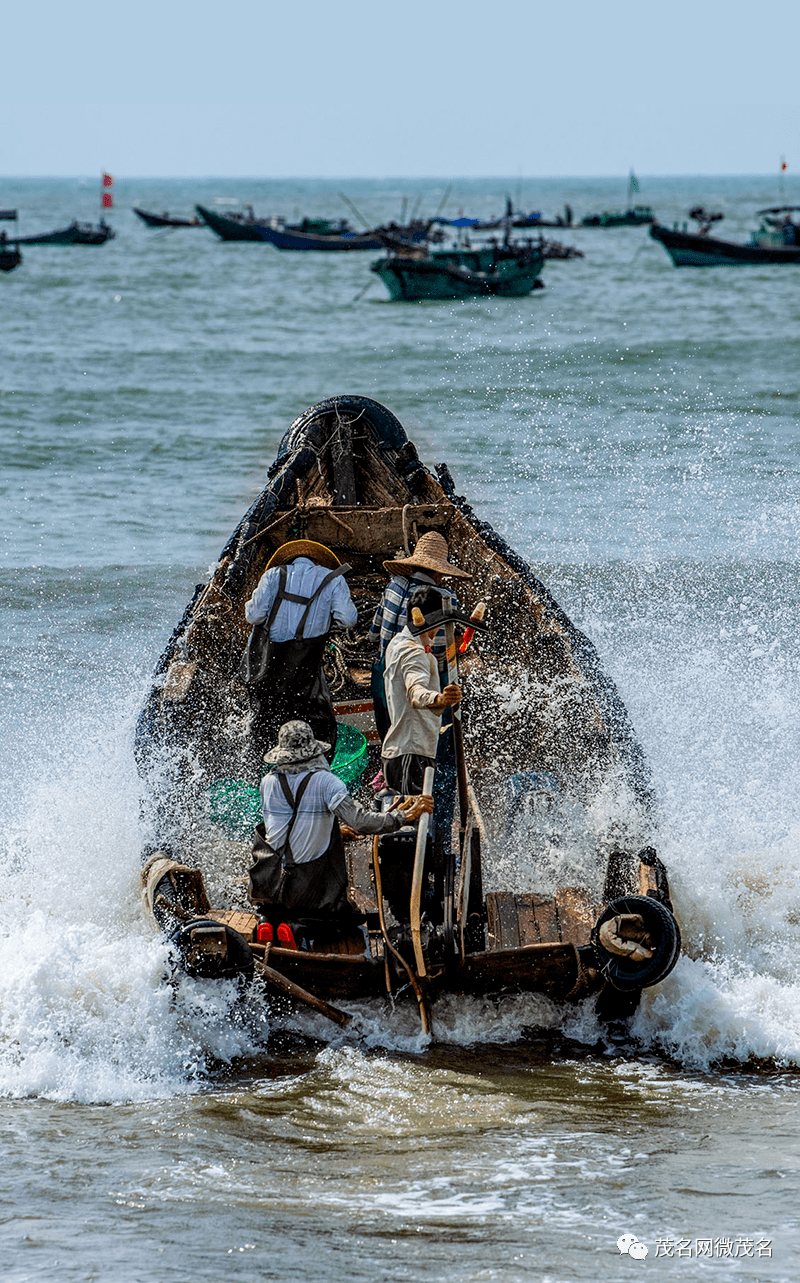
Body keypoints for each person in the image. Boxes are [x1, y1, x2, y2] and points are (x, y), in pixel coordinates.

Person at [248, 720, 433, 942]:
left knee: (276, 898)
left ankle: (267, 919)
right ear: (314, 753)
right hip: (307, 892)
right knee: (348, 918)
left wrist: (333, 830)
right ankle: (297, 927)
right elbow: (361, 822)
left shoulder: (267, 782)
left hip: (268, 884)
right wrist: (405, 816)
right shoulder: (327, 783)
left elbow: (287, 825)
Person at [243, 539, 357, 767]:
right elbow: (348, 619)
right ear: (317, 561)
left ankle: (264, 769)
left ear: (289, 560)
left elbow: (253, 617)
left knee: (265, 716)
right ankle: (316, 769)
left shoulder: (273, 575)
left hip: (271, 664)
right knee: (318, 717)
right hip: (307, 665)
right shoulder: (334, 580)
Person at [381, 584, 485, 796]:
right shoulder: (414, 652)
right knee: (416, 822)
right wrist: (440, 698)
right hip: (412, 753)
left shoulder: (397, 642)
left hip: (400, 750)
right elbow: (415, 692)